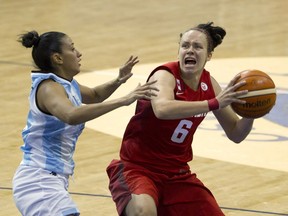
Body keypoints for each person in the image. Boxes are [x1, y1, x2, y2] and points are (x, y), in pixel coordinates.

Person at [106, 22, 255, 216]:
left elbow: (236, 133)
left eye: (197, 46)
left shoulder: (209, 85)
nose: (190, 50)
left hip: (177, 174)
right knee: (144, 211)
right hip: (137, 168)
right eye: (185, 45)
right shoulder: (164, 74)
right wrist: (212, 103)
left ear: (209, 56)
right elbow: (162, 108)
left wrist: (252, 113)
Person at [12, 30, 158, 216]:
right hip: (38, 180)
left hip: (52, 179)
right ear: (58, 58)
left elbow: (95, 96)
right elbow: (71, 115)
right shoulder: (49, 88)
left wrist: (118, 81)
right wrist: (124, 100)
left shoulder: (67, 84)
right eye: (72, 49)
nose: (78, 53)